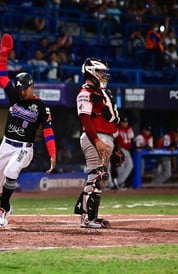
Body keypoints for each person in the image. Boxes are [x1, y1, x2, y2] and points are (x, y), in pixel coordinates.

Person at [0, 33, 56, 227]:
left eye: (23, 89)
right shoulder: (15, 97)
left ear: (32, 86)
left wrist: (52, 153)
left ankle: (2, 210)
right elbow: (1, 76)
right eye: (19, 89)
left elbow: (47, 131)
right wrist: (4, 55)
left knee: (13, 170)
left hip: (24, 148)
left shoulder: (41, 106)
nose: (20, 92)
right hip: (6, 144)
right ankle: (6, 203)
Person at [73, 57, 120, 228]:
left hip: (105, 137)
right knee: (96, 176)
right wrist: (97, 141)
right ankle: (87, 218)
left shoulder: (101, 93)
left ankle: (91, 215)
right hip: (94, 137)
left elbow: (110, 122)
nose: (103, 75)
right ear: (91, 71)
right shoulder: (85, 93)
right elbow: (86, 120)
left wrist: (116, 147)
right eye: (100, 72)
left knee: (99, 179)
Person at [113, 116, 134, 188]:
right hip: (120, 150)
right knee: (121, 167)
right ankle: (120, 184)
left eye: (126, 122)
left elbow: (131, 139)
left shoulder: (129, 129)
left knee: (130, 165)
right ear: (120, 122)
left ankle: (118, 182)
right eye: (123, 122)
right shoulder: (117, 129)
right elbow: (113, 137)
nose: (125, 123)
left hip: (127, 150)